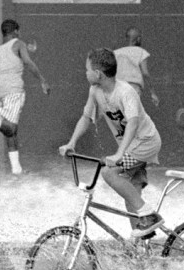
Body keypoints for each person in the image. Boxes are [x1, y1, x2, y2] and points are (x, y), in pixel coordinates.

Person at [58, 48, 164, 239]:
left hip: (146, 142)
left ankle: (150, 215)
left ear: (98, 74)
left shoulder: (125, 92)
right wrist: (71, 143)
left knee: (109, 172)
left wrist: (119, 154)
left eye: (87, 70)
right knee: (131, 196)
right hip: (131, 146)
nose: (85, 73)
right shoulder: (95, 90)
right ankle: (141, 247)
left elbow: (133, 123)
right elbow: (86, 117)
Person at [0, 19, 50, 175]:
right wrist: (42, 80)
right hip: (13, 90)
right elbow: (28, 62)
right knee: (11, 127)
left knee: (9, 131)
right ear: (16, 31)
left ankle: (16, 169)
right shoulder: (18, 44)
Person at [114, 27, 160, 108]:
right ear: (138, 39)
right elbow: (145, 73)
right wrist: (153, 93)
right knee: (132, 114)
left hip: (118, 87)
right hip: (133, 88)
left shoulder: (116, 53)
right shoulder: (141, 52)